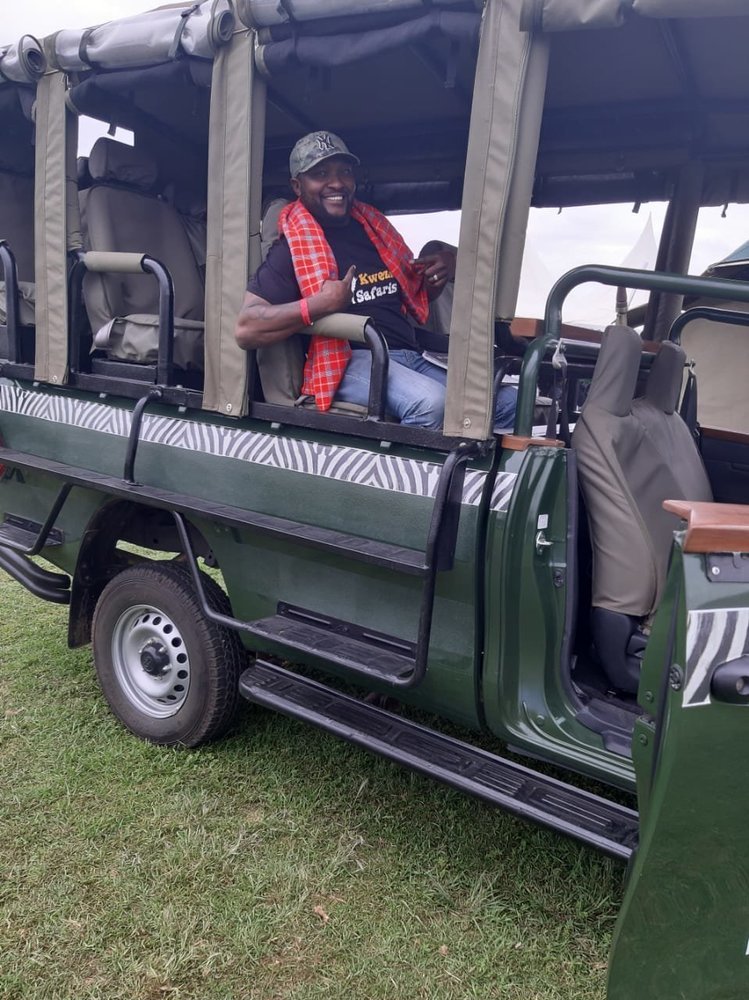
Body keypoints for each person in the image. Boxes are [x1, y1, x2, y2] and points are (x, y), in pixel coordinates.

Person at [234, 131, 518, 430]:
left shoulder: (373, 230)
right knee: (430, 405)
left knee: (509, 403)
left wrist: (436, 275)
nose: (337, 183)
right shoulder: (290, 248)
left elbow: (401, 296)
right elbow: (247, 328)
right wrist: (320, 304)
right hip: (350, 359)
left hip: (409, 352)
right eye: (320, 174)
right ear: (297, 185)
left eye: (344, 172)